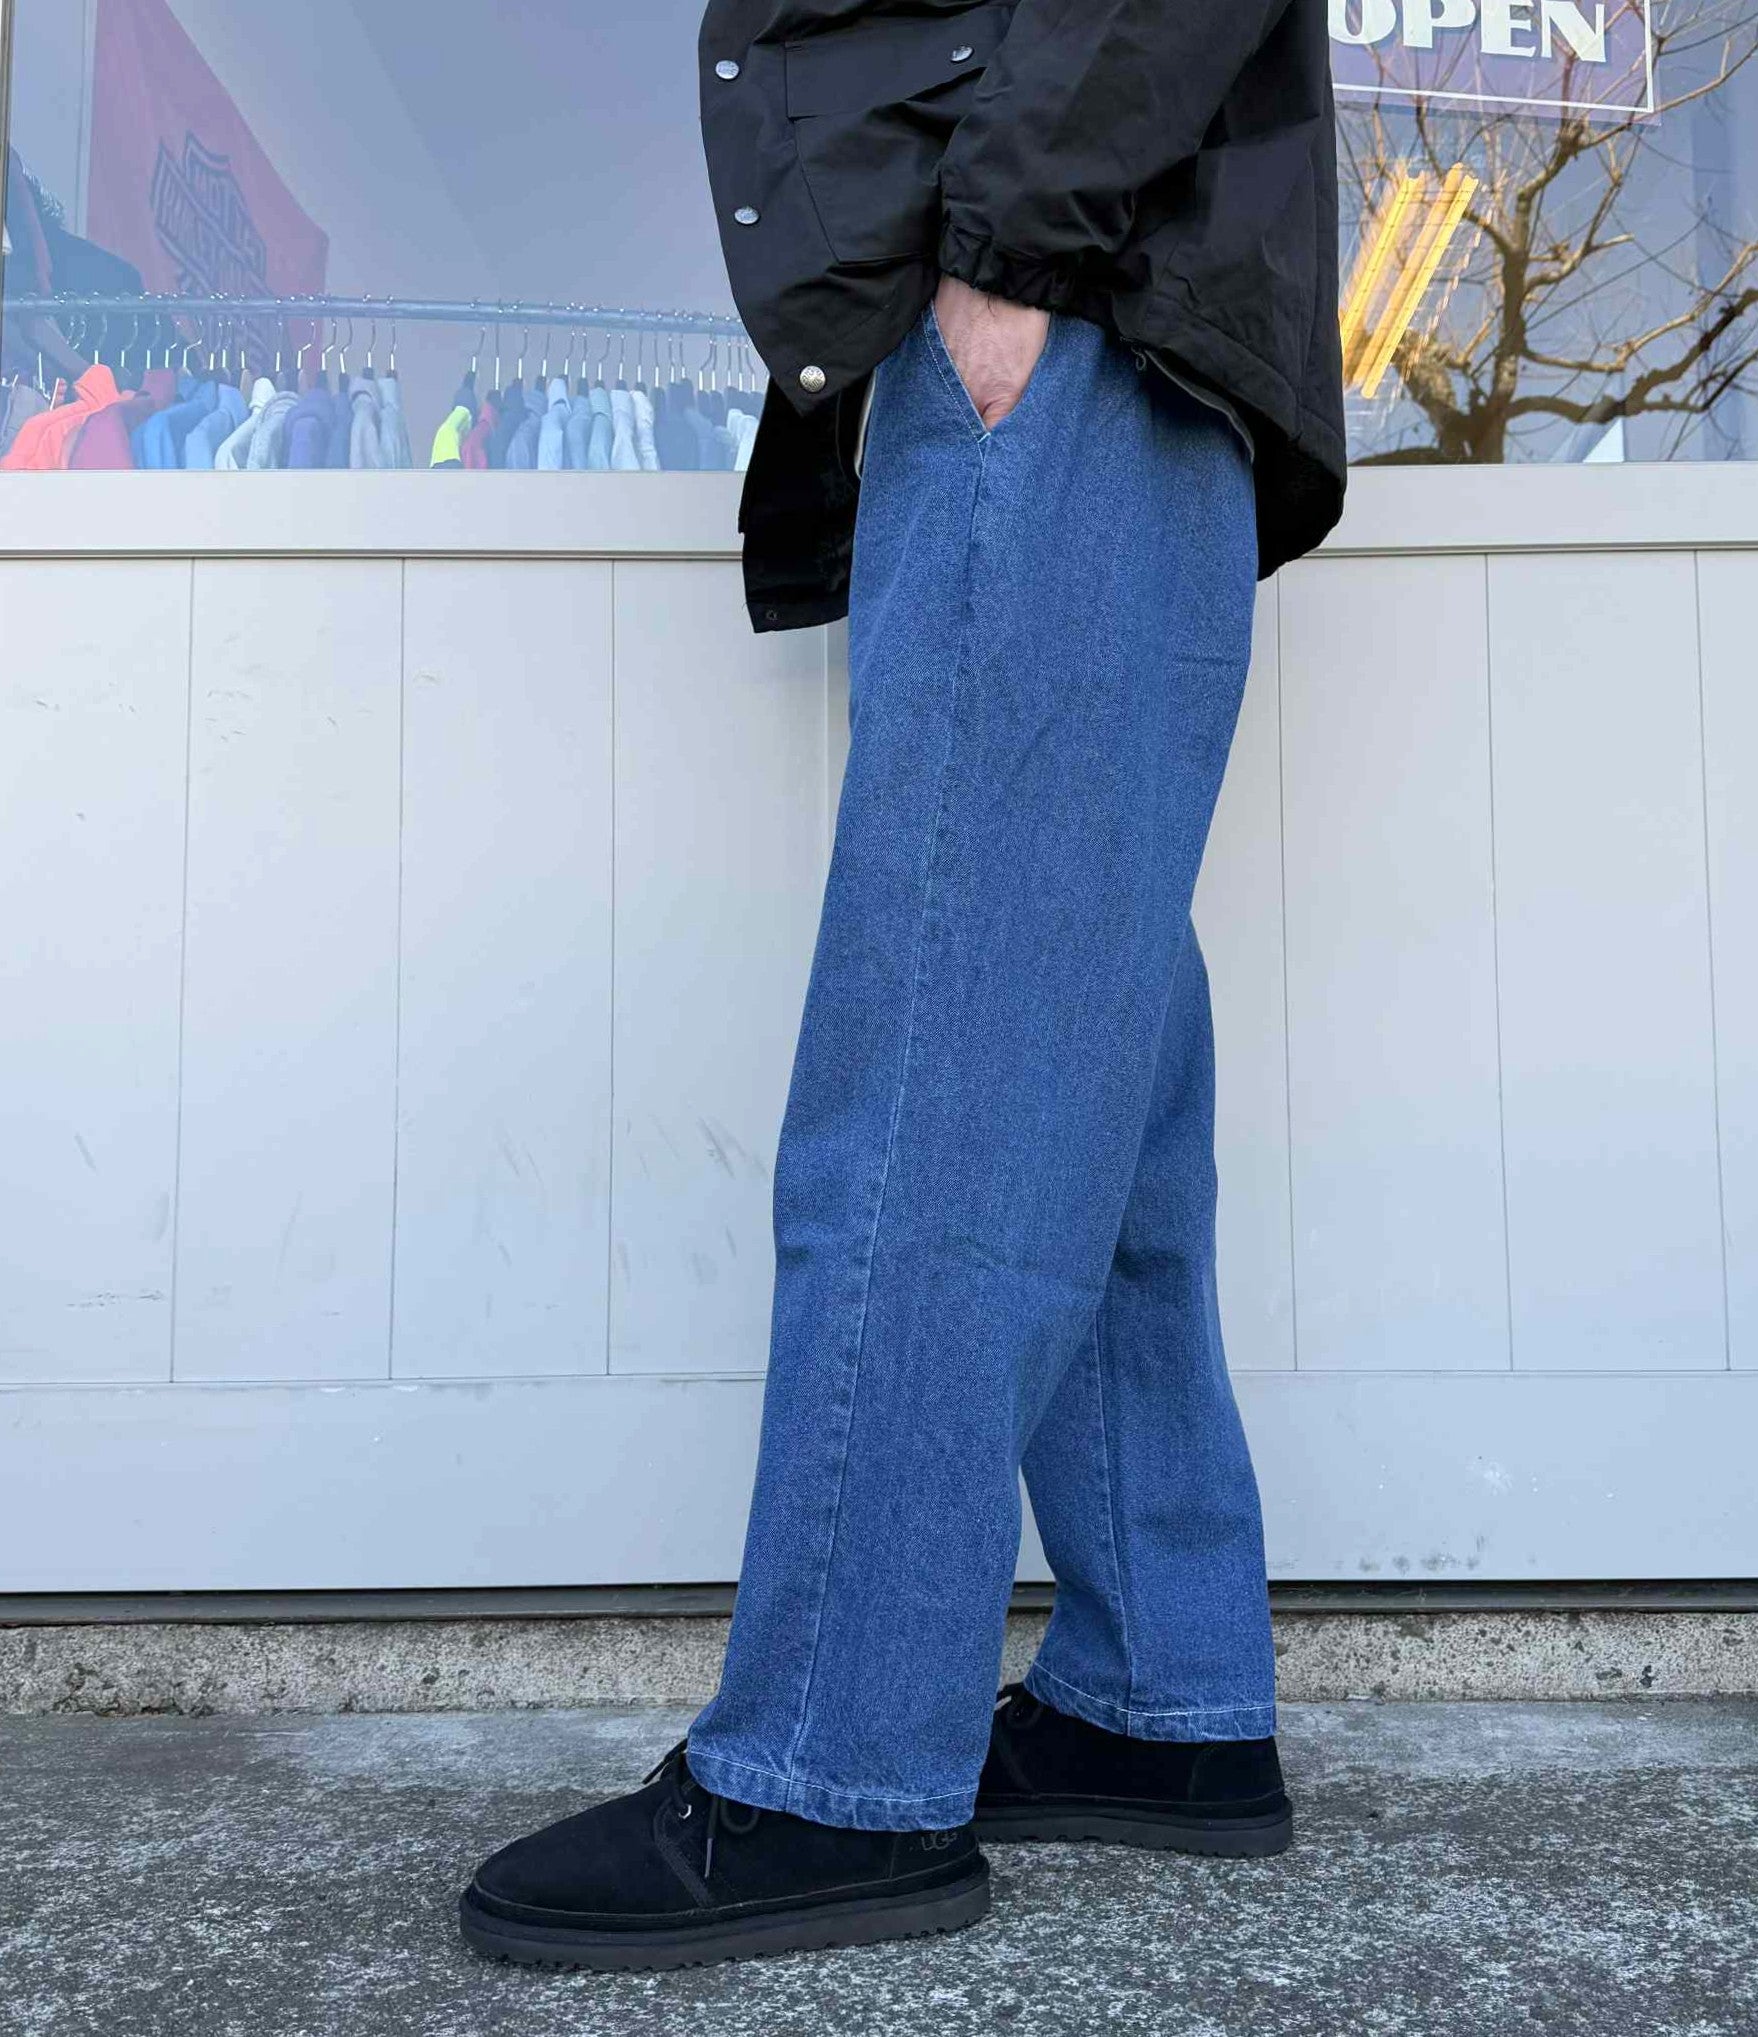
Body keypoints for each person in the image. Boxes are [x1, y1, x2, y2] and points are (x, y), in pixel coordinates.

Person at [460, 0, 1346, 1972]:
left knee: (942, 1057)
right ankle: (1161, 1693)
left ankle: (828, 1765)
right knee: (1082, 1055)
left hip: (1069, 300)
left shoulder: (1039, 274)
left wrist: (1010, 253)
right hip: (1109, 304)